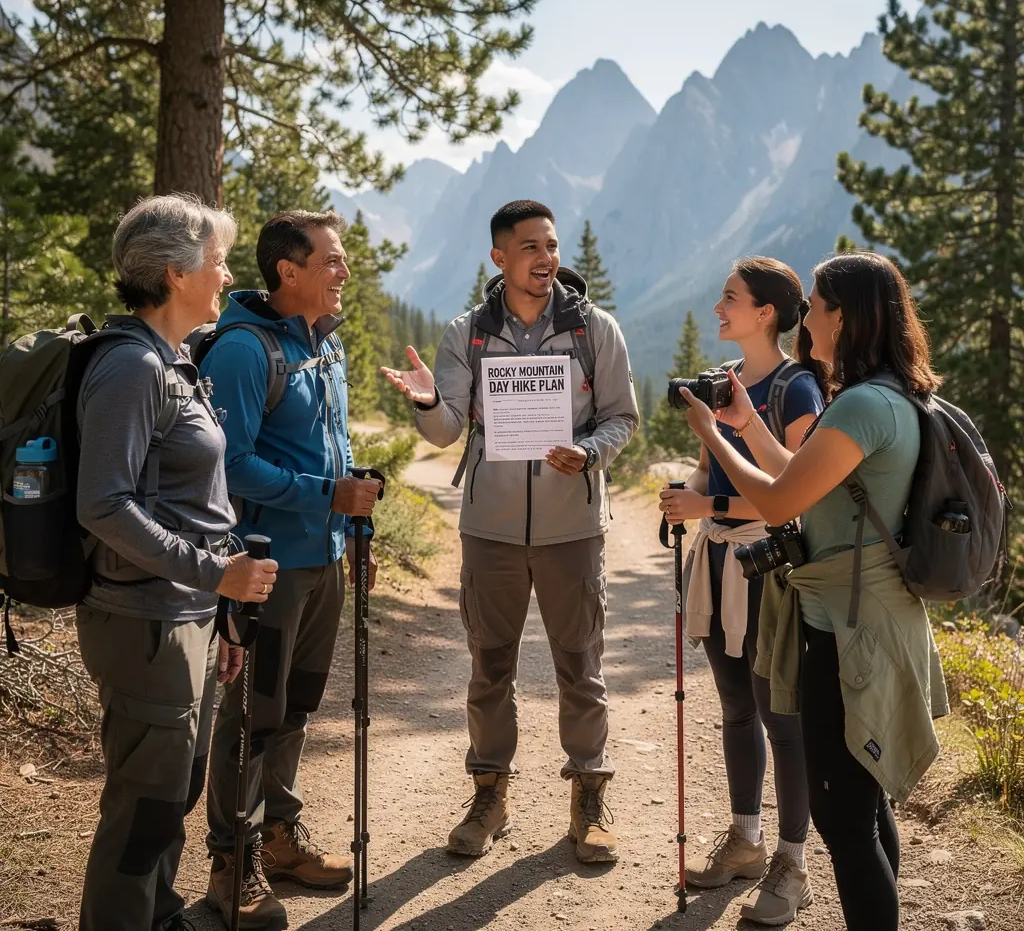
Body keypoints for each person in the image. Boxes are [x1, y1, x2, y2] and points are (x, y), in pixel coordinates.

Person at [681, 252, 949, 931]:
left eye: (819, 308)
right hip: (863, 612)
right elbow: (804, 475)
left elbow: (777, 502)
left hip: (855, 626)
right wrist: (745, 425)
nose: (810, 321)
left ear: (844, 316)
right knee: (864, 804)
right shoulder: (887, 394)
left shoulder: (860, 404)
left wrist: (712, 435)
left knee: (843, 817)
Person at [381, 200, 639, 864]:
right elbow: (444, 432)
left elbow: (622, 418)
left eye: (550, 245)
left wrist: (589, 452)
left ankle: (589, 797)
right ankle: (489, 795)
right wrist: (424, 400)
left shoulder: (594, 330)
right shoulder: (468, 334)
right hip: (490, 529)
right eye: (530, 247)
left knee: (580, 666)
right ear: (500, 257)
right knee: (489, 666)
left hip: (573, 528)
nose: (546, 257)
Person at [75, 194, 278, 931]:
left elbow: (189, 502)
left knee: (173, 795)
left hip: (182, 616)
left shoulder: (175, 360)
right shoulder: (130, 368)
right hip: (142, 623)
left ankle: (156, 918)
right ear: (173, 272)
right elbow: (101, 504)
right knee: (145, 806)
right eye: (217, 262)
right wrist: (213, 576)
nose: (225, 276)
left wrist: (217, 608)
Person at [200, 210, 381, 930]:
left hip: (325, 560)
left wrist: (346, 513)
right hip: (266, 570)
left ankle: (278, 835)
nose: (344, 272)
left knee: (296, 707)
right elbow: (228, 462)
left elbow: (322, 448)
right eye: (332, 261)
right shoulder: (244, 353)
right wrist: (324, 494)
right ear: (289, 271)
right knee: (251, 717)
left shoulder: (323, 346)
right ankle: (230, 861)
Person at [658, 257, 824, 925]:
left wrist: (709, 509)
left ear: (766, 314)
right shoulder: (726, 384)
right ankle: (747, 842)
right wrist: (686, 496)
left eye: (730, 298)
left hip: (772, 570)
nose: (719, 308)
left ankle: (793, 863)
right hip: (722, 563)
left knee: (781, 716)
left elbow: (801, 490)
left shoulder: (798, 388)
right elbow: (707, 471)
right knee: (734, 706)